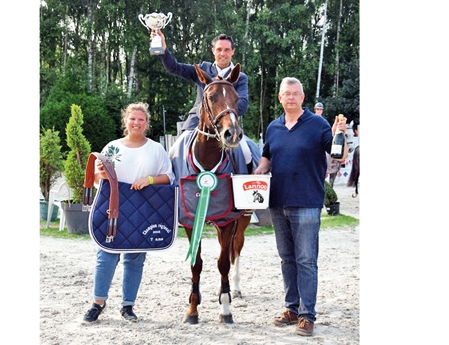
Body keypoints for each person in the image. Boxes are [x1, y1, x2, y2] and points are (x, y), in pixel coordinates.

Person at [253, 77, 347, 336]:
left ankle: (307, 315)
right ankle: (291, 308)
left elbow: (339, 154)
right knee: (287, 259)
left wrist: (341, 133)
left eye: (296, 93)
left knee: (306, 260)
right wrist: (255, 175)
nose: (291, 97)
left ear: (302, 98)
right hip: (277, 201)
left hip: (307, 201)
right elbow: (266, 159)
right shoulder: (273, 127)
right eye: (286, 94)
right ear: (280, 98)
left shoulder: (318, 125)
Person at [83, 102, 175, 323]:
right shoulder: (112, 147)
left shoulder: (155, 149)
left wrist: (149, 180)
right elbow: (97, 180)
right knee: (106, 254)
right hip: (114, 205)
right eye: (132, 118)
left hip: (141, 207)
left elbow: (169, 177)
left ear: (146, 123)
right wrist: (102, 176)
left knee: (135, 256)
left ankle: (127, 306)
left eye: (141, 119)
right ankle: (98, 303)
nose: (136, 122)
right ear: (126, 121)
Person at [151, 30, 253, 171]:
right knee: (174, 150)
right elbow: (174, 67)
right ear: (213, 51)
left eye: (226, 50)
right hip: (197, 123)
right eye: (219, 49)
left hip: (227, 125)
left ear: (233, 52)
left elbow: (243, 104)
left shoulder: (240, 77)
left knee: (247, 152)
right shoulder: (202, 69)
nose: (222, 53)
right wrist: (162, 48)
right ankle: (173, 183)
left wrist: (224, 112)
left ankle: (247, 184)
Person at [314, 102, 343, 187]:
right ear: (315, 110)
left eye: (320, 110)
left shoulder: (324, 121)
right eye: (318, 109)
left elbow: (328, 133)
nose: (319, 111)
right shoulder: (311, 120)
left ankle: (335, 167)